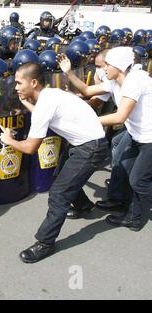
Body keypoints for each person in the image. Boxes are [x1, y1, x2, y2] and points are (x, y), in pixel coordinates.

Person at [0, 62, 108, 263]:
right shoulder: (50, 95)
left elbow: (31, 148)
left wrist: (10, 141)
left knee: (59, 193)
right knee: (61, 177)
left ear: (33, 82)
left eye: (18, 83)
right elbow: (43, 112)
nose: (15, 87)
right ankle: (84, 206)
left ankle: (45, 243)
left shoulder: (45, 104)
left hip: (90, 148)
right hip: (86, 142)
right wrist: (25, 102)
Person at [58, 47, 152, 231]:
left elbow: (119, 117)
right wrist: (68, 72)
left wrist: (88, 121)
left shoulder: (135, 81)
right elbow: (86, 89)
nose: (103, 69)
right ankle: (132, 215)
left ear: (119, 66)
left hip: (149, 138)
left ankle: (135, 215)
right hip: (137, 135)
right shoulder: (114, 81)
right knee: (129, 175)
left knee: (138, 180)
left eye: (107, 65)